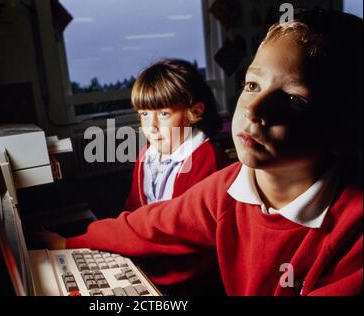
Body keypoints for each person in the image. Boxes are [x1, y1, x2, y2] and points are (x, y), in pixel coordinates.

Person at [42, 9, 363, 295]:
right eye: (252, 85)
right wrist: (68, 243)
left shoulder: (354, 228)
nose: (254, 108)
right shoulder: (228, 188)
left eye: (293, 99)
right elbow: (149, 226)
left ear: (344, 130)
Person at [124, 59, 230, 211]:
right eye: (144, 114)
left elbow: (191, 226)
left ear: (195, 112)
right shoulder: (145, 156)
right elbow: (133, 209)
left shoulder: (209, 160)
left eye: (163, 113)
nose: (151, 126)